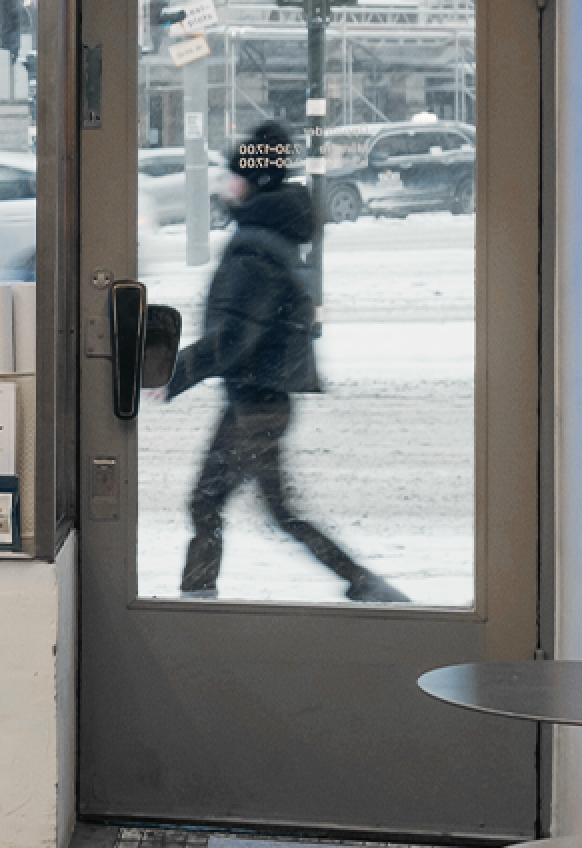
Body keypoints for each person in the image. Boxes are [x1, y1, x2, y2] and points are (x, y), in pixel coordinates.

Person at [165, 121, 405, 603]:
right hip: (261, 400)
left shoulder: (255, 247)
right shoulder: (270, 237)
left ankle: (196, 605)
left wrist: (172, 374)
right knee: (278, 511)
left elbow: (234, 335)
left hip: (254, 403)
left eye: (237, 176)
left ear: (255, 183)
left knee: (208, 504)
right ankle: (362, 582)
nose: (229, 185)